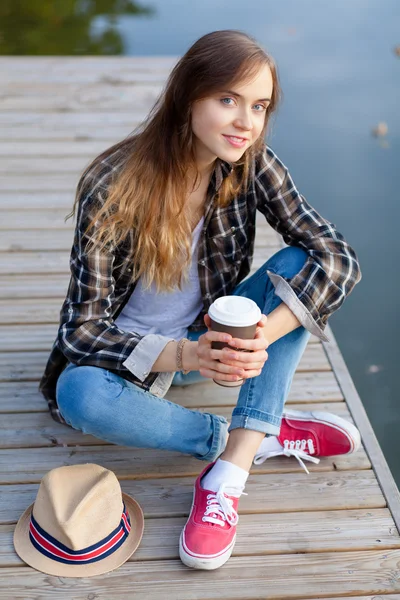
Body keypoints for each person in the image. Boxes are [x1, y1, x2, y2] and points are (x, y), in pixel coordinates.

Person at [39, 30, 362, 571]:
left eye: (259, 106)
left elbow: (337, 258)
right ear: (189, 96)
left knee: (300, 267)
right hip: (139, 361)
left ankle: (228, 474)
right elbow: (82, 331)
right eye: (228, 100)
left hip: (212, 338)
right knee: (78, 395)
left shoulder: (251, 163)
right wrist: (189, 357)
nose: (246, 122)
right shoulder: (112, 183)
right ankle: (253, 434)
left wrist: (263, 335)